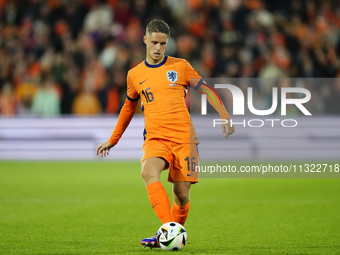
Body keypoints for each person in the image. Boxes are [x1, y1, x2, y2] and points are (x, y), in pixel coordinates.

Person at [96, 19, 234, 249]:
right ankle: (169, 233)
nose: (158, 48)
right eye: (154, 43)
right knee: (147, 171)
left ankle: (168, 234)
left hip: (184, 137)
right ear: (145, 40)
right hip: (156, 137)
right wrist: (114, 139)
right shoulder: (135, 75)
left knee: (181, 194)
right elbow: (128, 107)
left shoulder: (181, 66)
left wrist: (224, 113)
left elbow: (207, 89)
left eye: (163, 43)